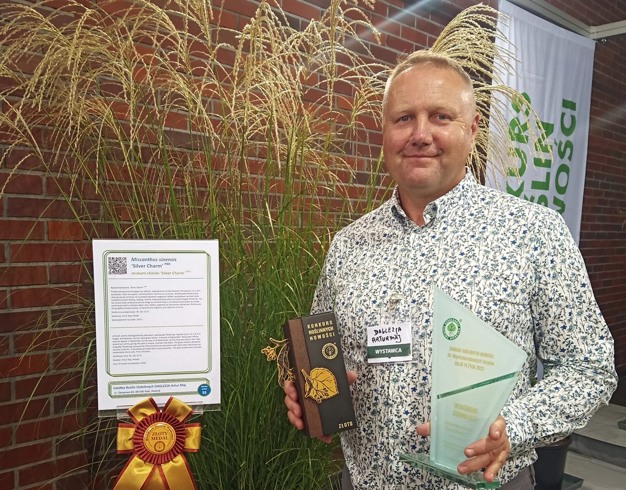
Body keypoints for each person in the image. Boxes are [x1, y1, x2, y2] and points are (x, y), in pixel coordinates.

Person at [283, 50, 618, 489]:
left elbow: (589, 367)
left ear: (472, 129)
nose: (420, 134)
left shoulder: (533, 232)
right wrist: (312, 396)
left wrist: (514, 426)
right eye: (404, 118)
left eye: (440, 117)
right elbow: (323, 357)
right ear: (384, 131)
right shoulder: (348, 245)